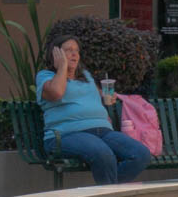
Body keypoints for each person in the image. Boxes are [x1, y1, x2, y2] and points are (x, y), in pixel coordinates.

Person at [35, 34, 153, 185]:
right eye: (68, 50)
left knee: (141, 154)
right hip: (66, 135)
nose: (74, 54)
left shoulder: (86, 76)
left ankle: (107, 192)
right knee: (103, 153)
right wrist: (62, 67)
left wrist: (106, 97)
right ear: (55, 54)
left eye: (76, 51)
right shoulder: (46, 76)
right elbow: (56, 92)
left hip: (103, 132)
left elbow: (98, 96)